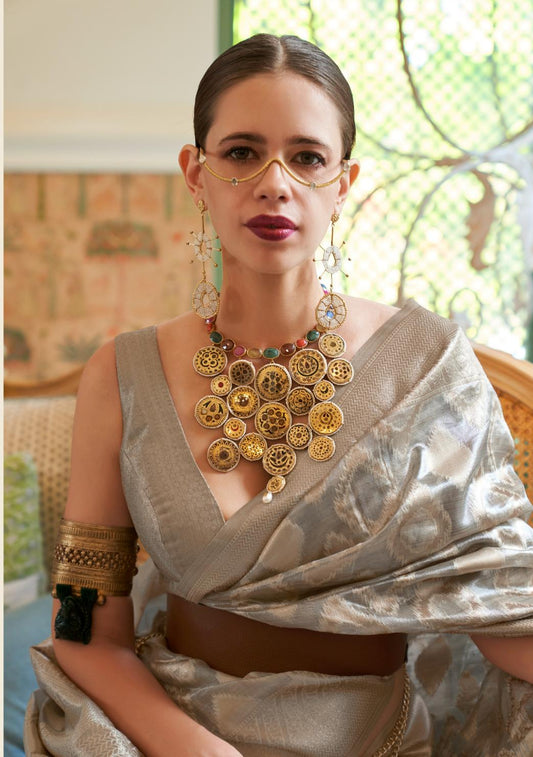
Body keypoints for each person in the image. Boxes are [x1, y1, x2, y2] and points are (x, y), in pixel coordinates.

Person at [25, 34, 533, 757]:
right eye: (241, 152)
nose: (274, 183)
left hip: (377, 738)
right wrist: (199, 751)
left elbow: (498, 606)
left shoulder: (427, 367)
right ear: (195, 173)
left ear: (343, 183)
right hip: (173, 735)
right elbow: (83, 631)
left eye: (307, 157)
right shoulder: (119, 375)